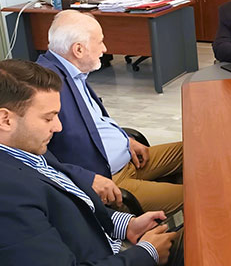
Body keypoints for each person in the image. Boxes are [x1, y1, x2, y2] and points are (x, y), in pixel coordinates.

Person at [0, 59, 176, 265]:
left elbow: (71, 209)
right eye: (48, 118)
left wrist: (126, 224)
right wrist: (147, 254)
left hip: (116, 245)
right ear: (6, 120)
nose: (58, 127)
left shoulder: (25, 146)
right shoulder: (8, 195)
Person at [37, 10, 183, 214]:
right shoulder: (44, 86)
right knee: (197, 196)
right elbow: (35, 155)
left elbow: (96, 122)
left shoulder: (73, 73)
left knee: (194, 149)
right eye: (100, 42)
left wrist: (125, 139)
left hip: (130, 158)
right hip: (110, 180)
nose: (105, 49)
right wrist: (86, 178)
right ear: (78, 49)